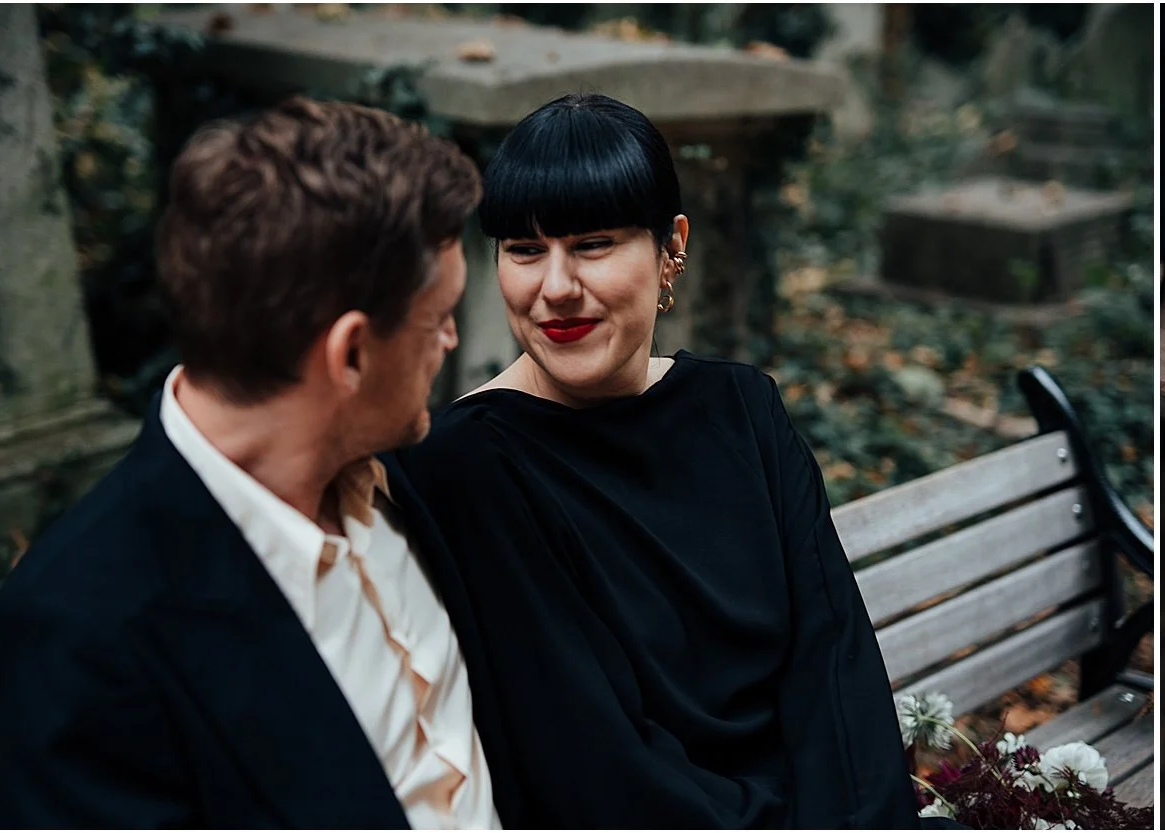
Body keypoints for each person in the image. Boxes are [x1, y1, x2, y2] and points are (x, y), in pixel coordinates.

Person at [390, 93, 922, 828]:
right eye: (523, 249)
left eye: (593, 244)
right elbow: (590, 764)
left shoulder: (746, 412)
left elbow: (835, 671)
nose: (555, 287)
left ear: (672, 245)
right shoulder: (466, 466)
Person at [0, 98, 500, 828]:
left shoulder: (406, 471)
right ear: (350, 354)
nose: (449, 342)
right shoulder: (77, 642)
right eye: (439, 318)